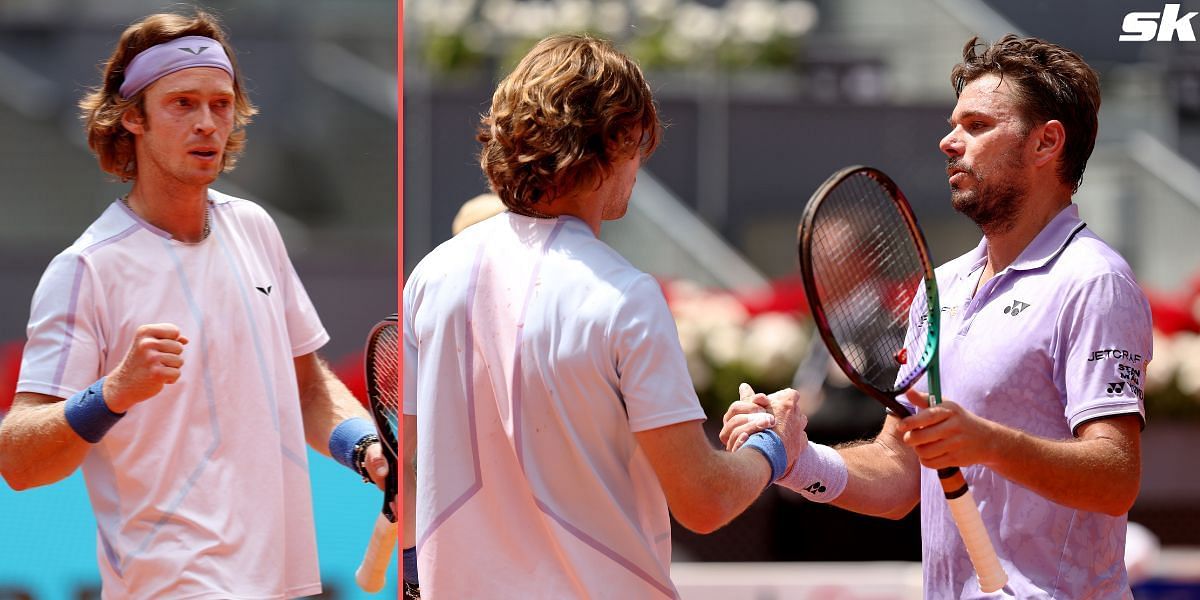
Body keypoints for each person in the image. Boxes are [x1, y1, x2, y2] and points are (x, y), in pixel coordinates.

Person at [726, 34, 1152, 598]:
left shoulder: (1094, 281)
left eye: (977, 126)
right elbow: (899, 472)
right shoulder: (940, 287)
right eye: (954, 125)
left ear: (1047, 143)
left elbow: (1115, 477)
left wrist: (988, 443)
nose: (950, 142)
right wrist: (795, 458)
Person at [401, 33, 807, 598]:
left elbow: (410, 469)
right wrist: (774, 443)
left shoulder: (429, 277)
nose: (640, 163)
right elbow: (705, 501)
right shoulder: (625, 297)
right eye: (640, 141)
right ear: (615, 140)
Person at [0, 10, 387, 598]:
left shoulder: (255, 228)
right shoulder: (84, 270)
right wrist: (110, 394)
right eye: (183, 103)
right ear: (133, 118)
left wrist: (363, 448)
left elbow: (306, 386)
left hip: (285, 581)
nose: (208, 123)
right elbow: (19, 462)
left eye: (221, 104)